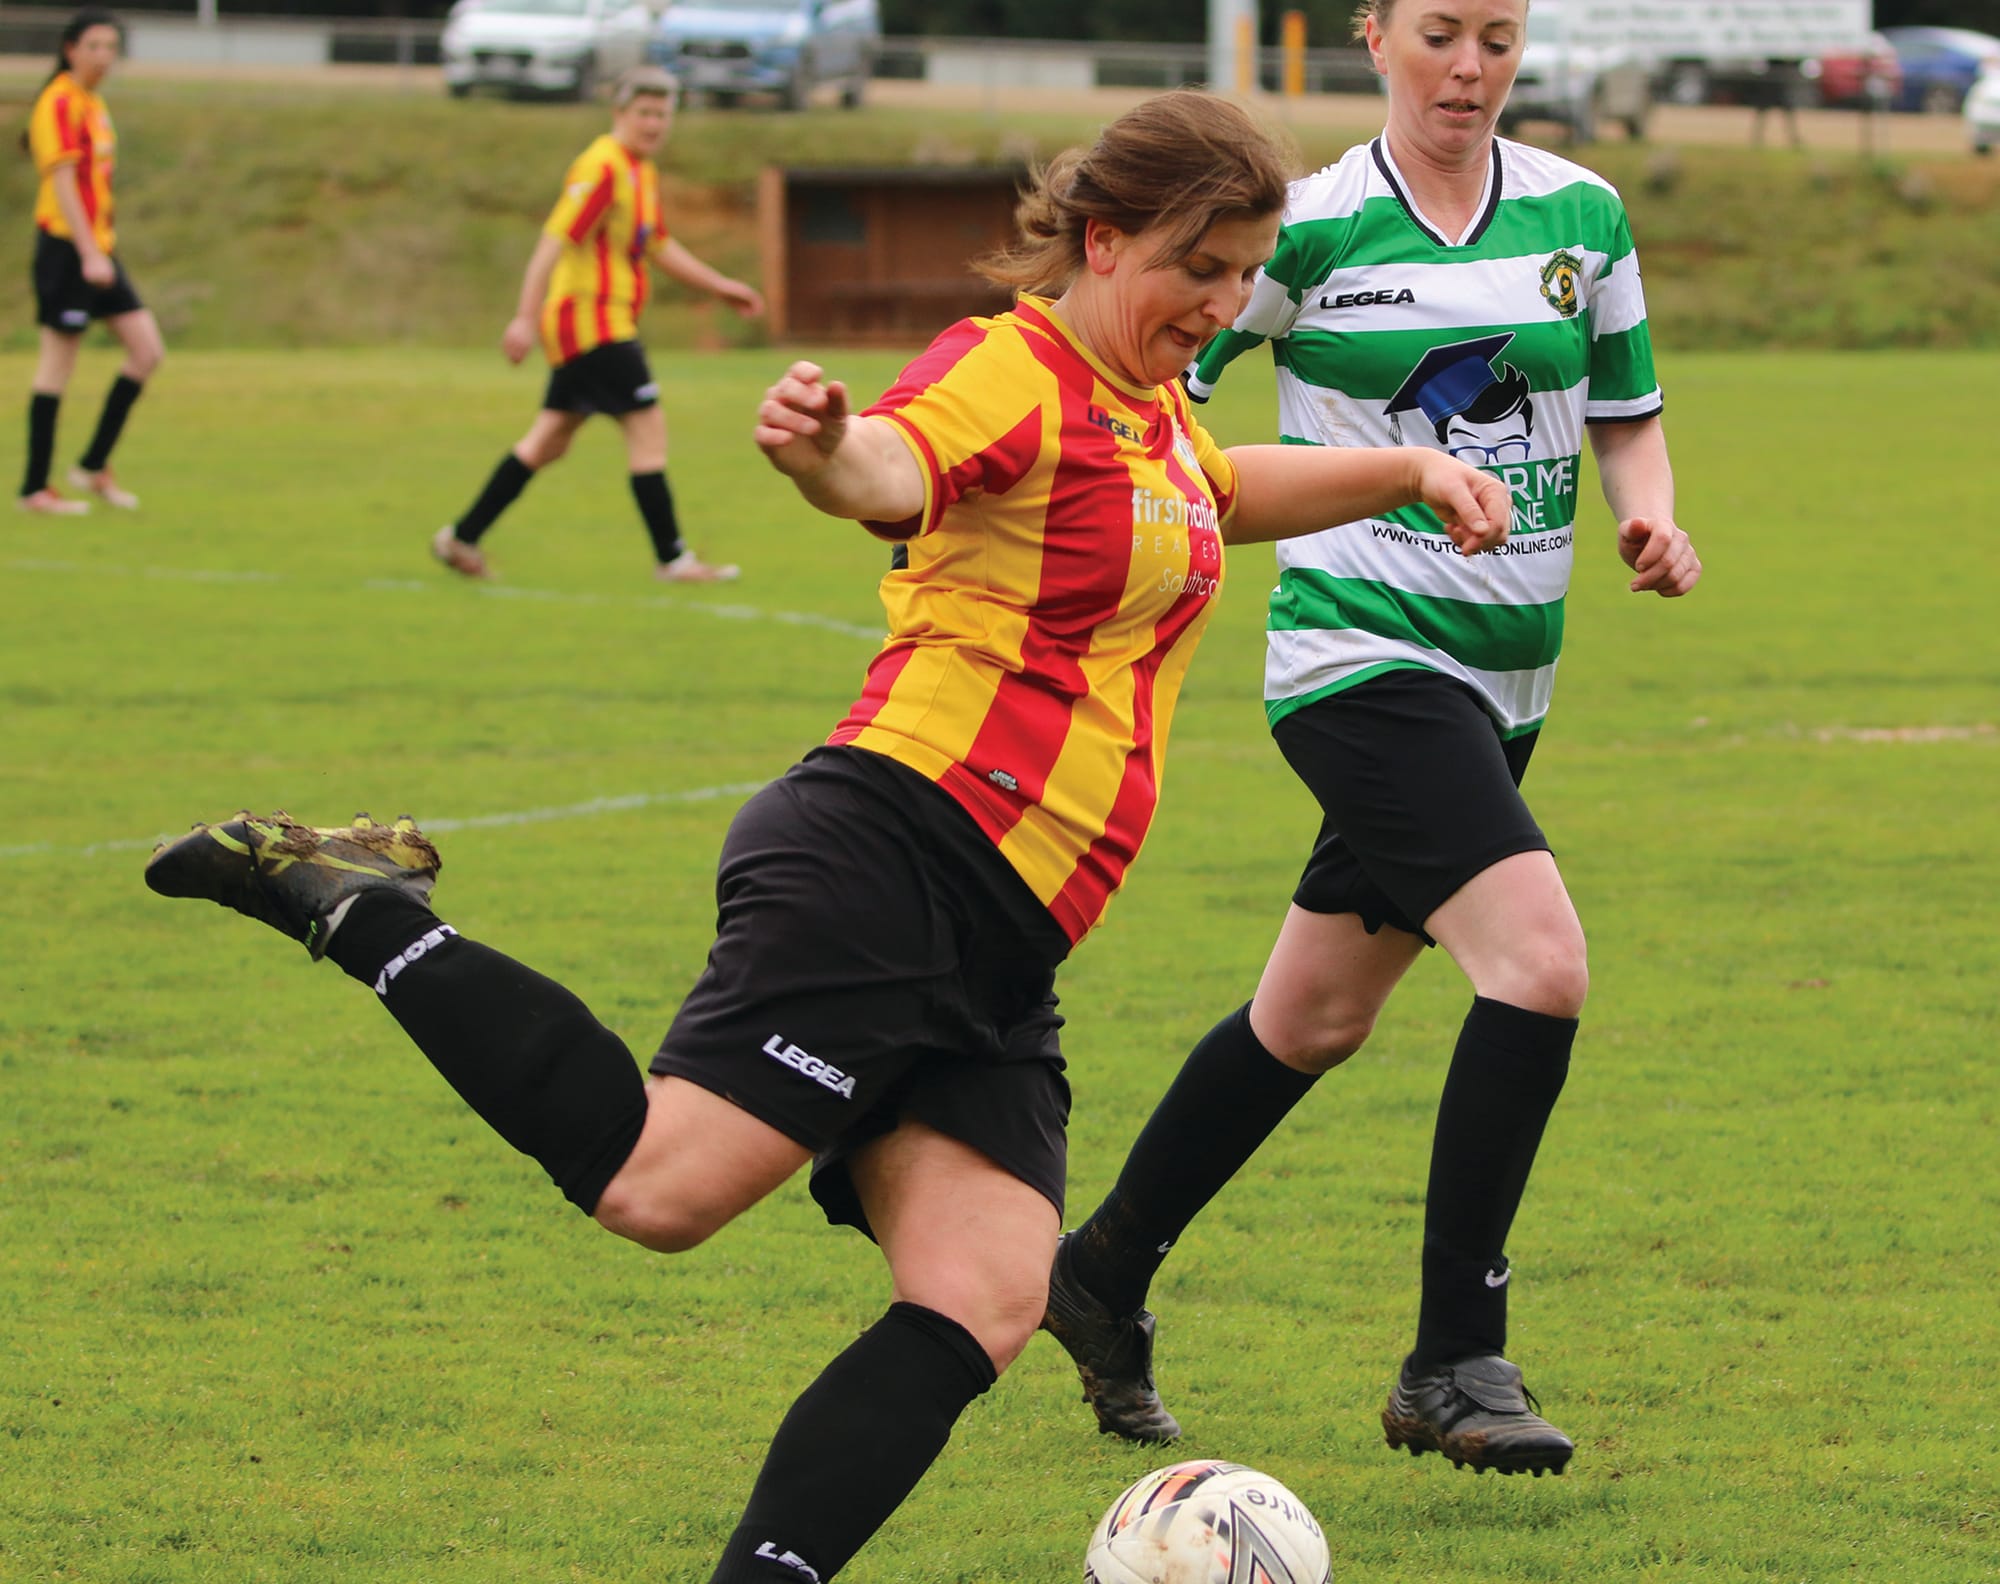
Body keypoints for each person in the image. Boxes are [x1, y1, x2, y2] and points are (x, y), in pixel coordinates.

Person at [143, 90, 1509, 1583]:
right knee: (659, 1192)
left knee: (988, 1294)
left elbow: (1227, 489)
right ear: (1104, 242)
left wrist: (1409, 470)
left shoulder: (1153, 411)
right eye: (1202, 265)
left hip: (1005, 934)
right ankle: (355, 905)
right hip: (896, 851)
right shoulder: (1014, 369)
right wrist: (825, 451)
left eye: (1247, 271)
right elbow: (895, 472)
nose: (1225, 302)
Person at [1043, 0, 1702, 1479]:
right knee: (1538, 967)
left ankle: (1099, 1270)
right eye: (1441, 35)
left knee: (1315, 1019)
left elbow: (1626, 412)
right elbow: (1170, 416)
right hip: (1360, 663)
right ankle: (1453, 1361)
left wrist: (1648, 515)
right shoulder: (1310, 232)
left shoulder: (1580, 213)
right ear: (1376, 38)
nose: (1470, 68)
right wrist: (1358, 482)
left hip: (1510, 683)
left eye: (1499, 37)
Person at [430, 65, 761, 585]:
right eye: (644, 113)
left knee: (548, 441)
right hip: (593, 321)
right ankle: (673, 559)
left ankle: (459, 538)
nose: (654, 123)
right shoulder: (602, 167)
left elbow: (656, 245)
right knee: (648, 431)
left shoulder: (639, 170)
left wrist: (719, 285)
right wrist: (523, 317)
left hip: (599, 323)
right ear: (619, 114)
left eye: (662, 114)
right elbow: (553, 242)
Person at [18, 8, 164, 516]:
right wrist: (85, 252)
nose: (105, 55)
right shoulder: (58, 101)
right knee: (57, 365)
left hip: (99, 247)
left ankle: (92, 466)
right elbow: (61, 182)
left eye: (112, 46)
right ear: (70, 49)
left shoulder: (93, 104)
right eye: (95, 46)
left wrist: (100, 248)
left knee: (147, 351)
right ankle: (35, 489)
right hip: (67, 249)